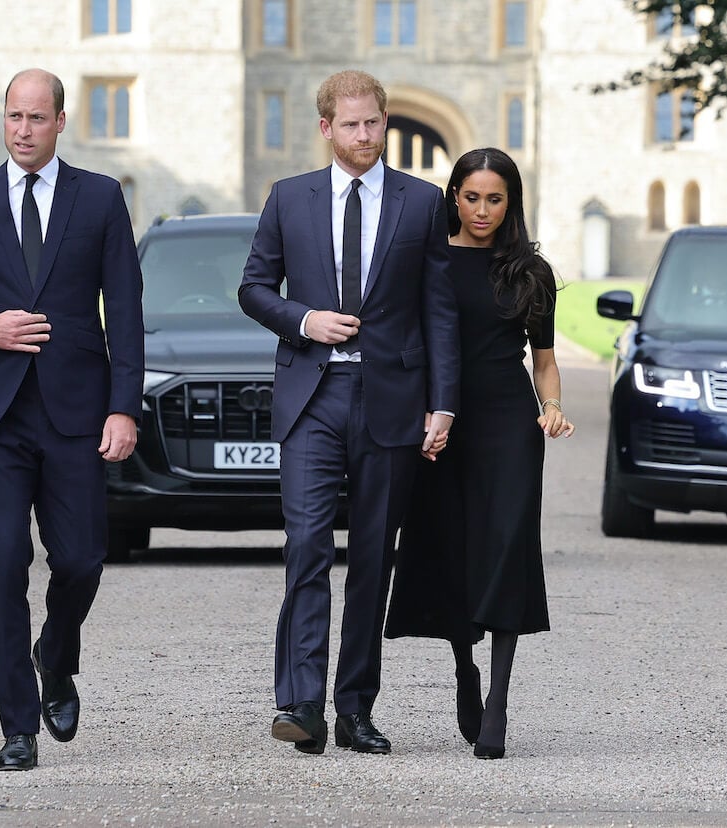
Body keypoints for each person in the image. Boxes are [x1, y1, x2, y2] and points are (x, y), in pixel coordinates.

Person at [0, 68, 144, 771]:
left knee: (79, 560)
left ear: (60, 122)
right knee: (2, 560)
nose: (23, 129)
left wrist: (123, 407)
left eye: (37, 118)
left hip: (77, 412)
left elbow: (125, 312)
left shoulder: (99, 198)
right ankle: (17, 726)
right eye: (13, 116)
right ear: (1, 120)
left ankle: (56, 653)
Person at [238, 70, 460, 756]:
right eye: (352, 124)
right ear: (325, 128)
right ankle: (300, 703)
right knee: (306, 546)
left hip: (390, 402)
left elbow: (439, 310)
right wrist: (303, 319)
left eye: (374, 123)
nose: (365, 136)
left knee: (371, 560)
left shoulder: (421, 202)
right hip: (312, 398)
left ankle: (354, 708)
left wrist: (443, 404)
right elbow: (252, 289)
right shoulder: (288, 198)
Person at [385, 147, 575, 760]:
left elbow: (543, 363)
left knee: (506, 548)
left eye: (496, 199)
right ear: (454, 198)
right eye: (472, 197)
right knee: (453, 548)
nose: (483, 210)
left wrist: (551, 406)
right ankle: (464, 666)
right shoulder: (428, 260)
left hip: (508, 426)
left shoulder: (530, 273)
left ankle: (497, 699)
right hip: (442, 424)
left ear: (511, 202)